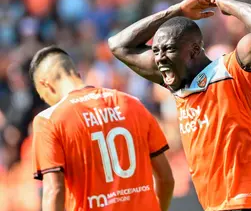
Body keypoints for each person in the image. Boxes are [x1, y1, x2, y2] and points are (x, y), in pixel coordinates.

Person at [108, 0, 251, 211]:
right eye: (156, 51)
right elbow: (118, 45)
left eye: (169, 49)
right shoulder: (176, 82)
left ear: (193, 51)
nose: (160, 58)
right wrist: (178, 10)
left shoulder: (233, 71)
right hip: (215, 206)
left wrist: (226, 3)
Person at [29, 46, 174, 211]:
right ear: (77, 74)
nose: (47, 102)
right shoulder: (133, 103)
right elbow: (166, 179)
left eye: (43, 96)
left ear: (45, 84)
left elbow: (54, 190)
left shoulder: (48, 120)